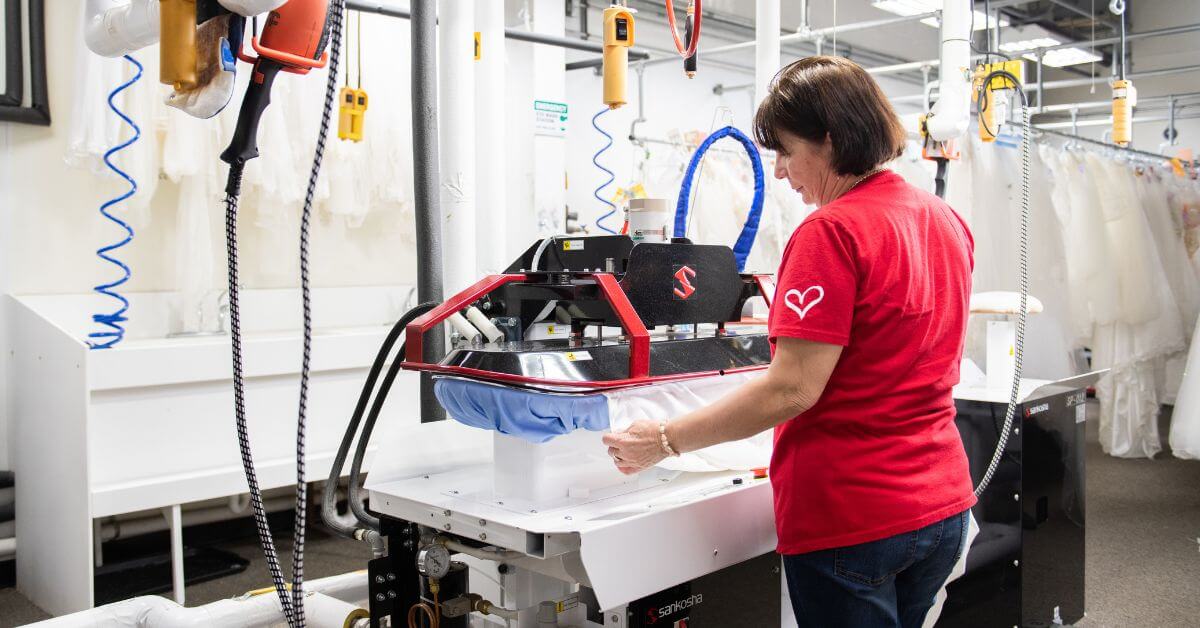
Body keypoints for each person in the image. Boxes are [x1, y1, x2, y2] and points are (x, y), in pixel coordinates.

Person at [602, 56, 976, 628]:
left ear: (828, 141)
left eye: (785, 150)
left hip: (855, 519)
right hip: (941, 503)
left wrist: (665, 439)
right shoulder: (944, 220)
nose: (779, 171)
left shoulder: (831, 231)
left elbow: (792, 390)